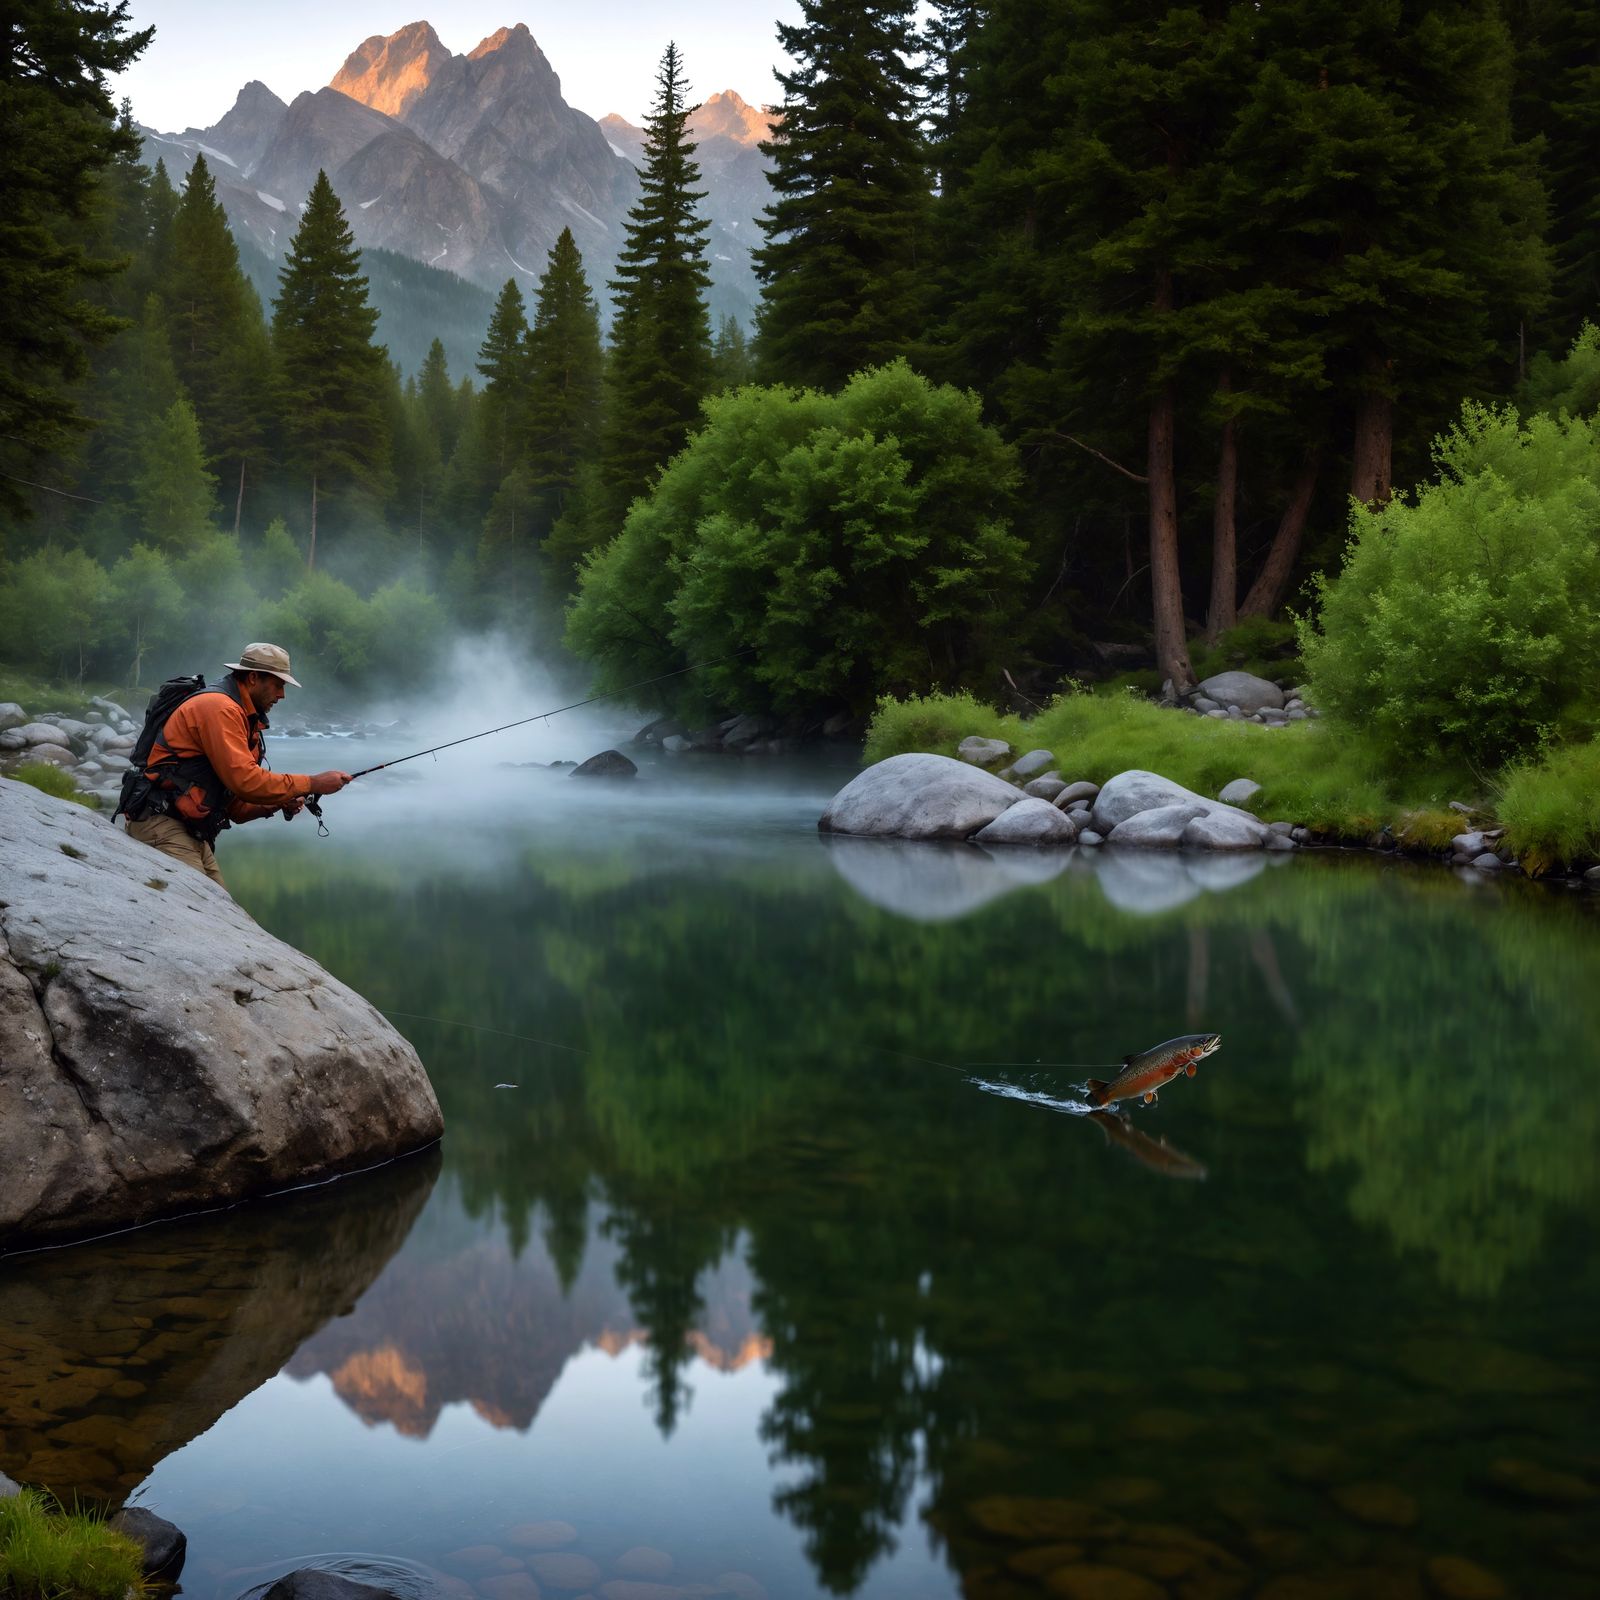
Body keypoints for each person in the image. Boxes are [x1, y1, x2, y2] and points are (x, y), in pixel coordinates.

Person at [120, 642, 352, 890]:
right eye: (278, 685)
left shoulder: (241, 714)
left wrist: (278, 801)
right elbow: (245, 781)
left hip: (189, 832)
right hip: (162, 825)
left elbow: (237, 809)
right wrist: (312, 783)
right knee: (202, 913)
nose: (281, 695)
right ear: (253, 678)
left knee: (218, 910)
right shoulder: (220, 708)